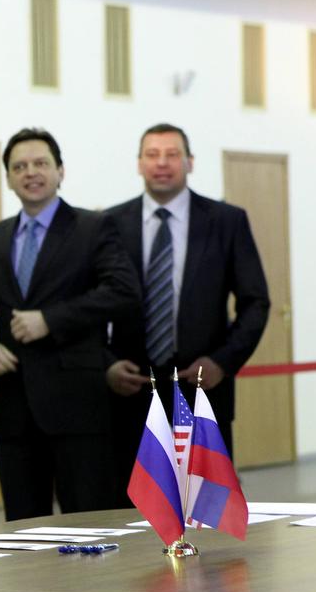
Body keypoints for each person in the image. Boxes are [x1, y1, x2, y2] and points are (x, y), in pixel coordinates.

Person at [0, 128, 140, 521]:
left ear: (60, 171)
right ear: (8, 178)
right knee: (24, 530)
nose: (30, 173)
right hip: (14, 411)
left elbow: (124, 292)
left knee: (92, 525)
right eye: (19, 166)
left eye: (40, 164)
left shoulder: (93, 227)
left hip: (79, 408)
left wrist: (50, 320)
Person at [106, 123, 269, 491]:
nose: (162, 163)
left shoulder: (227, 221)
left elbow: (255, 302)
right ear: (138, 164)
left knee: (206, 511)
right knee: (132, 512)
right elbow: (92, 305)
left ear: (190, 162)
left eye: (172, 154)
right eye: (152, 154)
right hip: (130, 394)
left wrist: (222, 362)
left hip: (202, 392)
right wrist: (107, 365)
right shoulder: (110, 224)